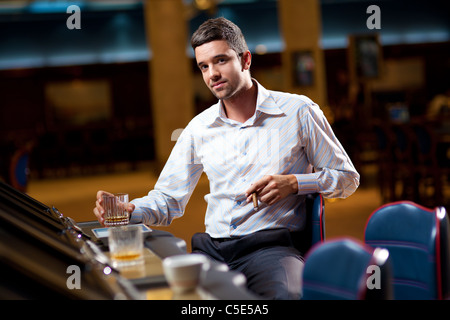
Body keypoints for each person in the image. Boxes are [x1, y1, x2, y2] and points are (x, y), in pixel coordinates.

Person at [94, 17, 359, 299]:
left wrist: (295, 183)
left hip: (271, 248)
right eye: (204, 66)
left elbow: (347, 178)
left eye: (220, 61)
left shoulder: (298, 111)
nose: (212, 75)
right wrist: (130, 209)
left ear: (245, 59)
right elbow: (169, 199)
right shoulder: (199, 127)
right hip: (211, 250)